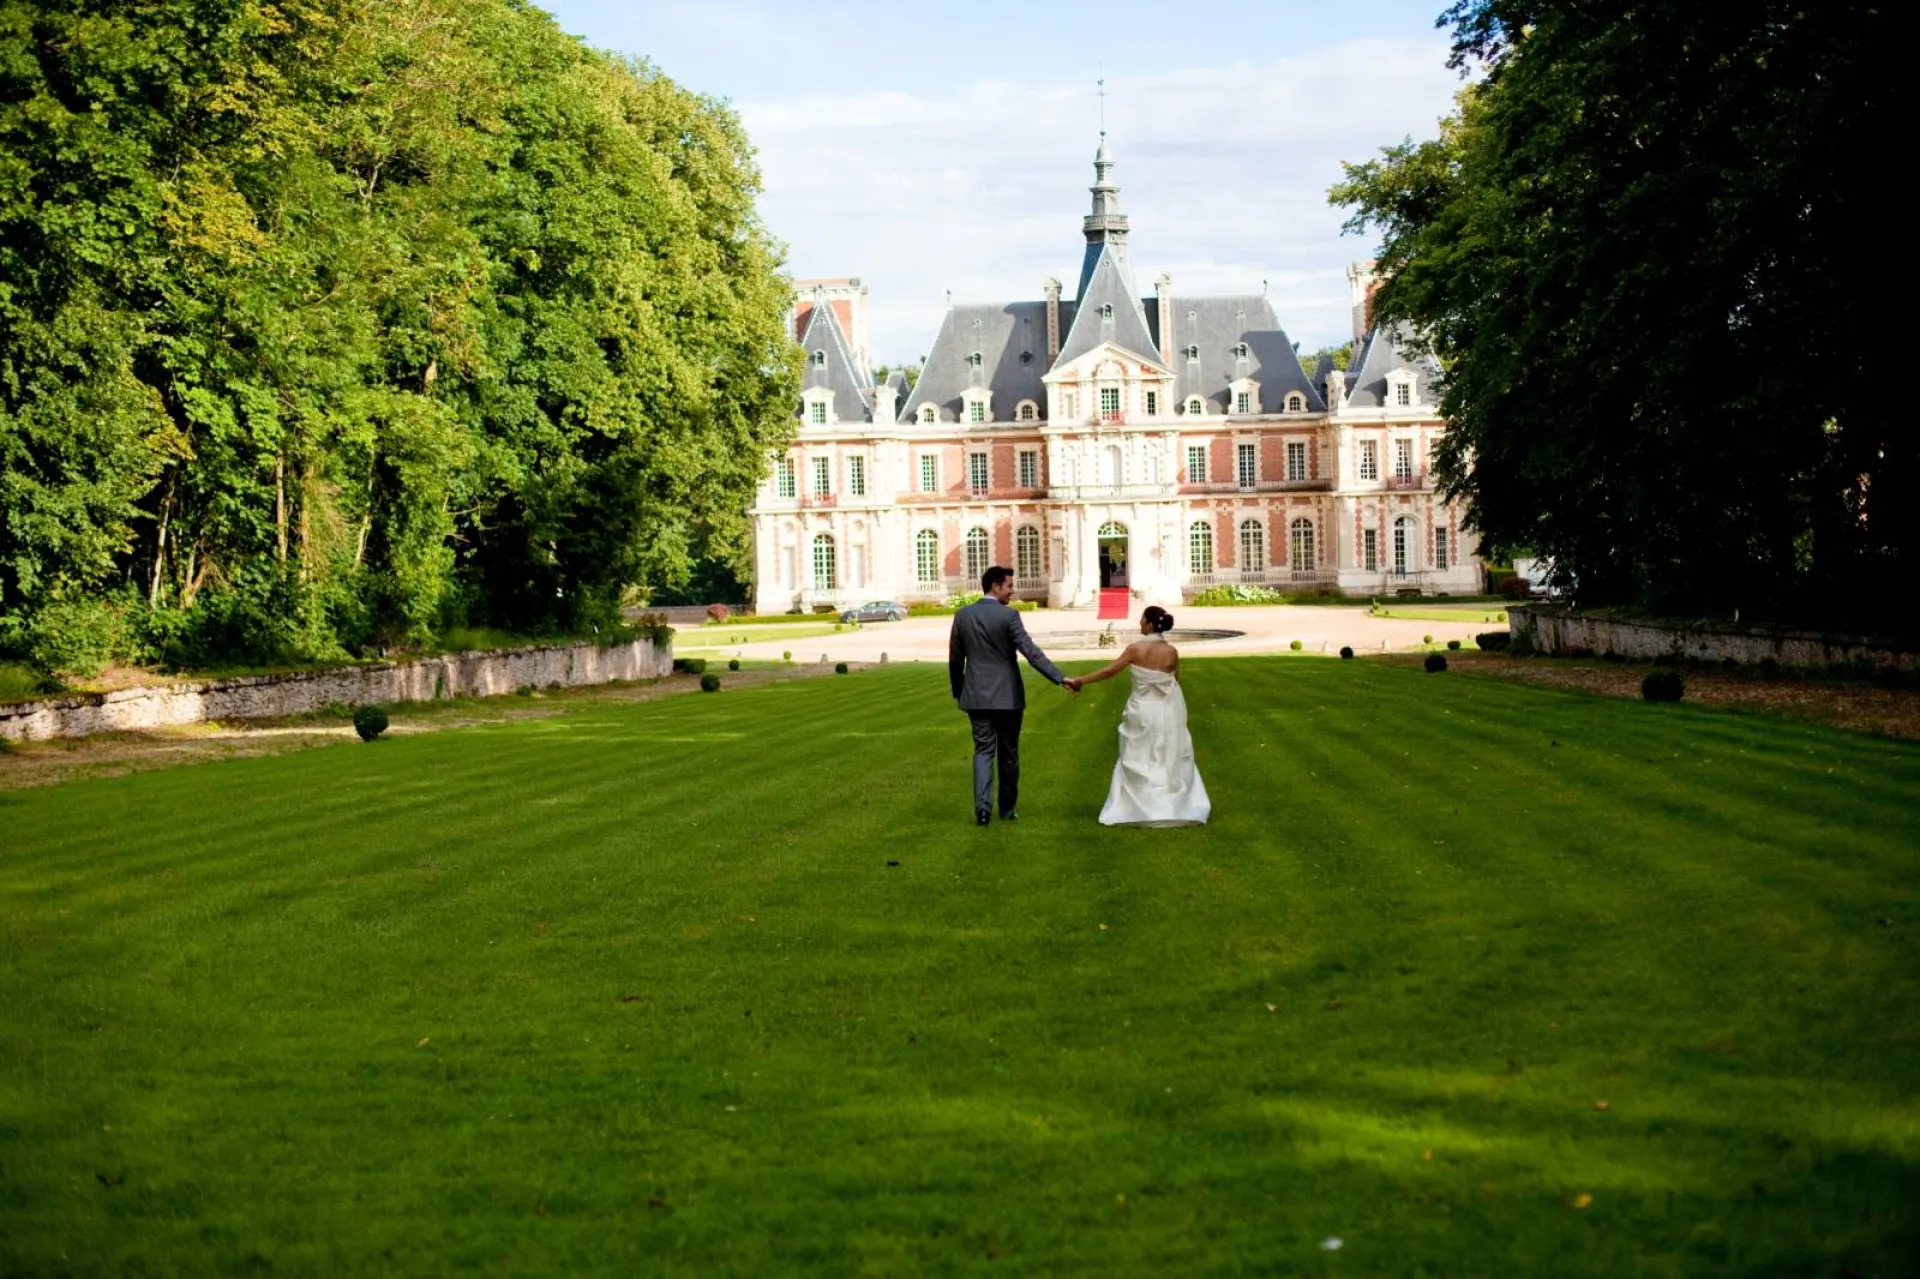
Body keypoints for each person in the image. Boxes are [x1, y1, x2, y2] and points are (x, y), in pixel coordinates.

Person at [1063, 606, 1210, 827]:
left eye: (1142, 619)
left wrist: (1081, 680)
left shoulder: (1135, 649)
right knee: (1163, 757)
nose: (1139, 623)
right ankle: (1169, 805)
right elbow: (1174, 682)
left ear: (1149, 624)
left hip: (1141, 710)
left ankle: (1136, 808)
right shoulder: (1172, 652)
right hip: (1165, 711)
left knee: (1138, 757)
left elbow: (1108, 671)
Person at [949, 565, 1073, 826]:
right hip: (1007, 697)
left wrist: (959, 691)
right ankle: (1007, 809)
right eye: (1008, 586)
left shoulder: (963, 615)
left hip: (976, 697)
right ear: (995, 587)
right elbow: (1031, 652)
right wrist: (1059, 677)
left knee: (983, 751)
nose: (1012, 590)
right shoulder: (1009, 616)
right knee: (1009, 753)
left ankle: (983, 810)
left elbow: (955, 659)